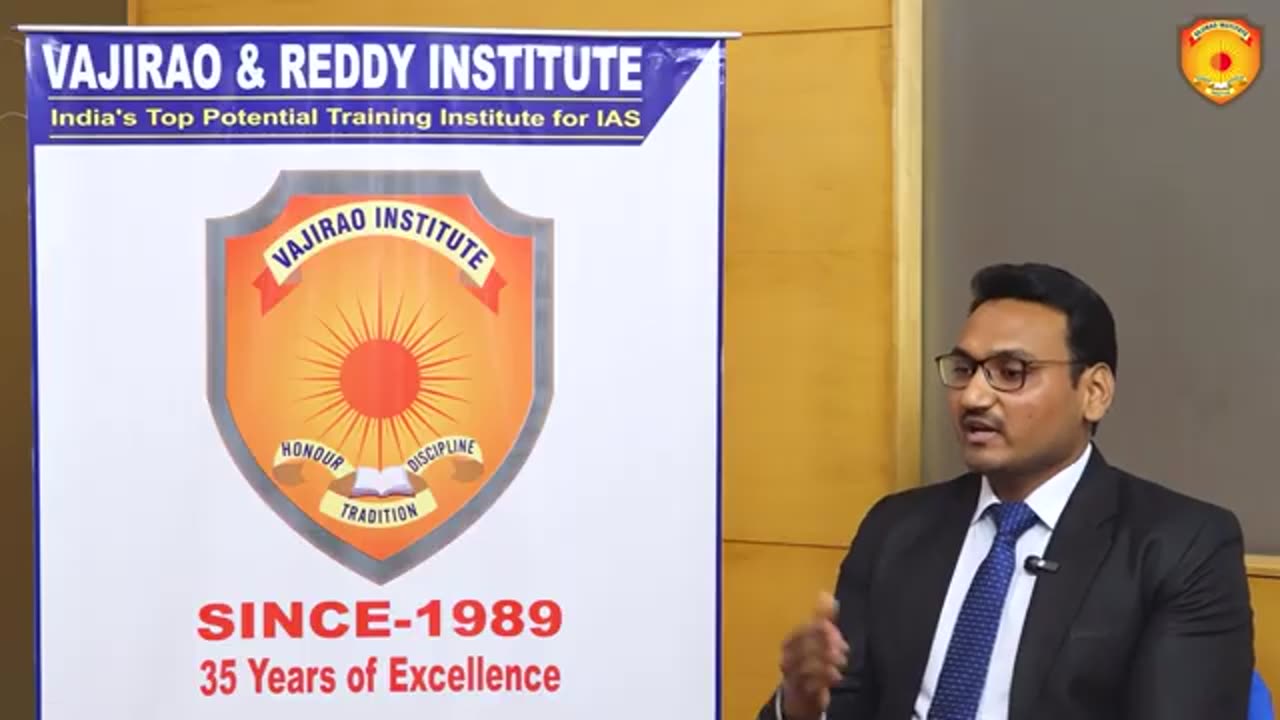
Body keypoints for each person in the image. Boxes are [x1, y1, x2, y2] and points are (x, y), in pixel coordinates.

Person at [761, 262, 1254, 720]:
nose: (973, 397)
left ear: (1094, 393)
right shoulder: (896, 528)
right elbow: (841, 705)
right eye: (964, 370)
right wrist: (800, 706)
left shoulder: (1181, 547)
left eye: (1011, 372)